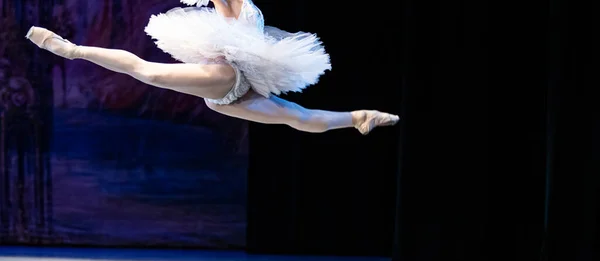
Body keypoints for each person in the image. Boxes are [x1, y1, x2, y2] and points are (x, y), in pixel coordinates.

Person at [25, 0, 399, 134]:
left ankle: (71, 50)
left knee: (149, 72)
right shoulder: (228, 6)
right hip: (226, 91)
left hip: (227, 78)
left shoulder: (238, 4)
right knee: (296, 118)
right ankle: (357, 117)